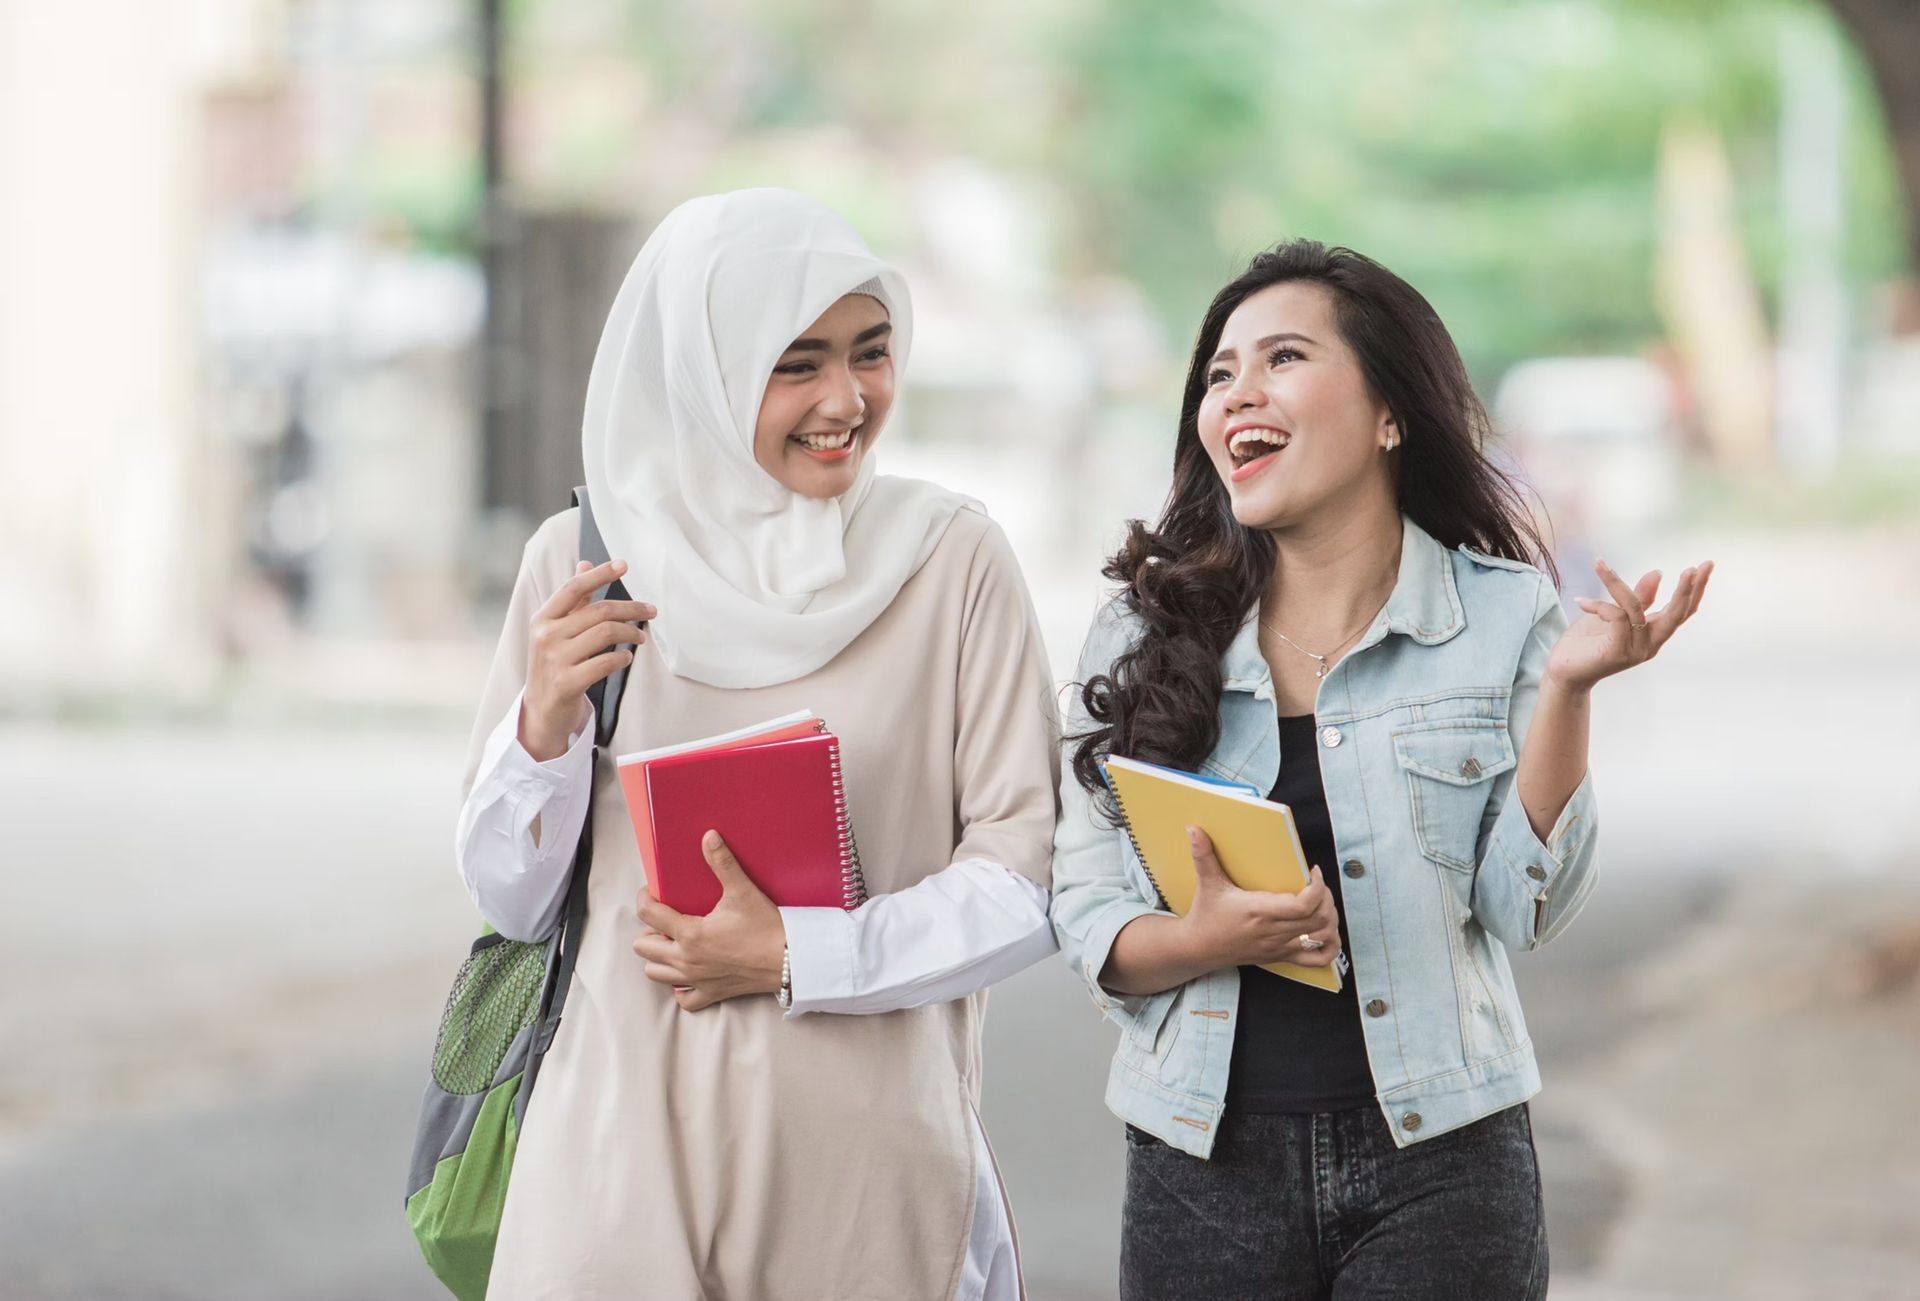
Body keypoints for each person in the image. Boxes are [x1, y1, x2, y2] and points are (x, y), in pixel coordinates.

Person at [1049, 240, 1712, 1300]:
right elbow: (1083, 906)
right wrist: (1204, 936)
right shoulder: (1145, 625)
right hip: (1199, 1166)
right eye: (1220, 373)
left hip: (1445, 1163)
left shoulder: (1504, 614)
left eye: (1282, 359)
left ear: (1391, 413)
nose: (1237, 393)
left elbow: (1522, 906)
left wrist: (1569, 694)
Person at [455, 189, 1059, 1299]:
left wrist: (797, 954)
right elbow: (512, 902)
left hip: (869, 1170)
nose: (846, 399)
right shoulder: (584, 561)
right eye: (797, 363)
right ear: (706, 368)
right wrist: (542, 723)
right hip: (613, 1156)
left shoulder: (952, 561)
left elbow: (1029, 880)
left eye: (871, 353)